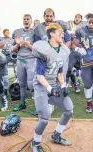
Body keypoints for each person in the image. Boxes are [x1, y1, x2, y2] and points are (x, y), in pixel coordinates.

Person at [31, 23, 73, 152]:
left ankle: (56, 136)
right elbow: (39, 76)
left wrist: (63, 85)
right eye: (59, 32)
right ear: (52, 33)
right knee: (44, 118)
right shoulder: (44, 50)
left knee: (68, 110)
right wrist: (50, 89)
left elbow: (59, 73)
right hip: (41, 86)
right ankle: (35, 143)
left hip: (54, 84)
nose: (62, 35)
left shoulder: (62, 50)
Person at [12, 14, 35, 112]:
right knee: (21, 84)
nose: (26, 21)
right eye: (24, 19)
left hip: (31, 60)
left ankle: (38, 106)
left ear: (31, 21)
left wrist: (28, 44)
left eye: (28, 19)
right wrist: (18, 44)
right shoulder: (17, 32)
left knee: (31, 84)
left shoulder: (35, 32)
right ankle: (22, 103)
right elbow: (13, 50)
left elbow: (37, 49)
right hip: (20, 60)